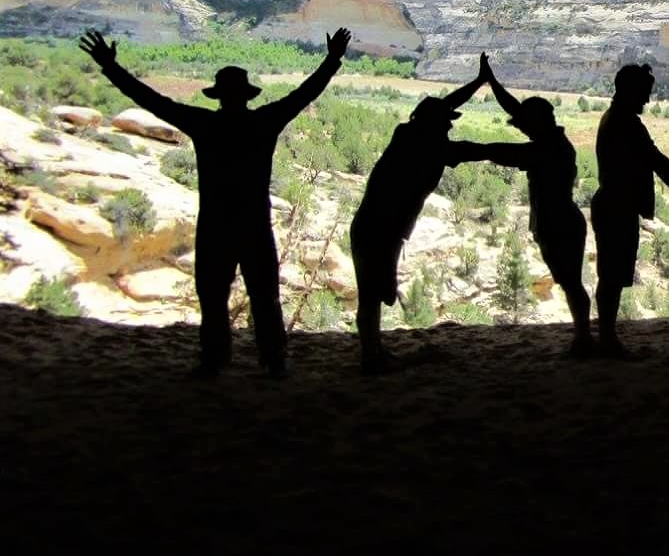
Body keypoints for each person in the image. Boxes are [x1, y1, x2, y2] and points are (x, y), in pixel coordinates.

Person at [79, 27, 351, 379]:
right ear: (247, 95)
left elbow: (150, 100)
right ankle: (274, 360)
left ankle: (214, 360)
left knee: (212, 296)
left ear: (218, 96)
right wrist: (332, 59)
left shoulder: (203, 123)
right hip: (255, 226)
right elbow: (305, 93)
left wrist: (110, 67)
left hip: (215, 227)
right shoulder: (263, 121)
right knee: (265, 297)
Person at [349, 57, 489, 375]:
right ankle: (371, 358)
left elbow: (442, 105)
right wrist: (527, 152)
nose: (450, 125)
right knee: (374, 294)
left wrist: (478, 81)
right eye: (446, 122)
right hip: (380, 229)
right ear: (434, 124)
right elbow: (478, 149)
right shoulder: (435, 148)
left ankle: (373, 352)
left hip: (373, 226)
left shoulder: (408, 133)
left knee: (373, 293)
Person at [447, 57, 593, 356]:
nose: (522, 127)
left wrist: (467, 150)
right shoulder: (551, 139)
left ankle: (584, 338)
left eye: (527, 124)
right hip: (559, 221)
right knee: (570, 281)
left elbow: (506, 152)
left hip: (559, 223)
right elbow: (517, 111)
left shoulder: (549, 148)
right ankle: (583, 336)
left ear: (536, 124)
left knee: (571, 282)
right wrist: (492, 81)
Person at [592, 63, 669, 358]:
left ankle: (606, 337)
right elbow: (659, 162)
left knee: (609, 276)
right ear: (630, 90)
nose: (648, 100)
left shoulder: (614, 118)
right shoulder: (626, 122)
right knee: (612, 278)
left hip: (611, 205)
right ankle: (608, 340)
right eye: (645, 92)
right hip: (617, 208)